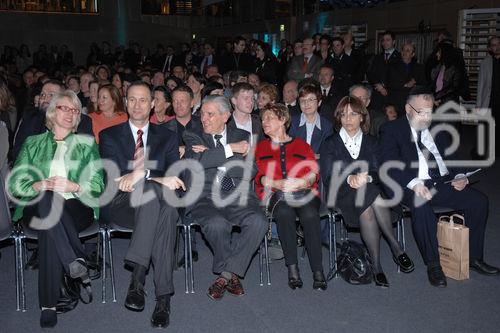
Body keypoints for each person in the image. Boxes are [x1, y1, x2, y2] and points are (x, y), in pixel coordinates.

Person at [379, 86, 499, 288]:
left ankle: (474, 257)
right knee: (421, 203)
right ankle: (433, 264)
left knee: (479, 201)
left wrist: (459, 175)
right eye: (421, 112)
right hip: (408, 185)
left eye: (430, 111)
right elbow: (388, 163)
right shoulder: (391, 129)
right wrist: (415, 184)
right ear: (408, 109)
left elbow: (450, 157)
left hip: (440, 182)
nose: (427, 117)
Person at [9, 90, 104, 328]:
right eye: (64, 108)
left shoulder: (86, 144)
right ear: (52, 112)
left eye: (75, 110)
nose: (71, 113)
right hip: (37, 206)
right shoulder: (33, 143)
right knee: (47, 199)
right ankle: (76, 258)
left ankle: (48, 304)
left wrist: (75, 185)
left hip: (76, 205)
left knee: (50, 227)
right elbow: (14, 183)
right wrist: (38, 184)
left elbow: (98, 184)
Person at [99, 81, 181, 328]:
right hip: (122, 205)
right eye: (132, 99)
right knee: (160, 199)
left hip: (156, 204)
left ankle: (140, 281)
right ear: (125, 102)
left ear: (153, 104)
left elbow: (176, 177)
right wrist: (151, 176)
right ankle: (163, 296)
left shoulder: (167, 136)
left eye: (143, 100)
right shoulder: (109, 135)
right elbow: (117, 179)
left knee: (162, 205)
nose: (137, 105)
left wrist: (142, 175)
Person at [320, 96, 414, 288]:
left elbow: (379, 171)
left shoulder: (372, 142)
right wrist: (349, 178)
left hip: (369, 193)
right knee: (370, 193)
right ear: (338, 117)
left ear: (362, 117)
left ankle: (377, 266)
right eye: (343, 114)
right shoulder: (330, 143)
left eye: (353, 114)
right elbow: (329, 176)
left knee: (368, 199)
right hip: (342, 193)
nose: (348, 119)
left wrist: (367, 178)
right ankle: (396, 247)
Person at [182, 95, 268, 301]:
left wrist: (213, 155)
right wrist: (231, 150)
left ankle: (226, 275)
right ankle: (232, 274)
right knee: (216, 223)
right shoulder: (192, 134)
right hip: (205, 196)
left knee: (259, 221)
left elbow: (251, 169)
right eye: (202, 113)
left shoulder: (243, 135)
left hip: (238, 195)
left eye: (210, 114)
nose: (204, 119)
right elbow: (196, 163)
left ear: (226, 115)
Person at [255, 103, 327, 290]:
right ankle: (292, 268)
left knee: (310, 215)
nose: (264, 122)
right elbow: (257, 177)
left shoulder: (301, 145)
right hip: (276, 195)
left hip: (304, 192)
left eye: (269, 117)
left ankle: (317, 270)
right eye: (263, 119)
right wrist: (275, 183)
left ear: (283, 120)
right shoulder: (261, 147)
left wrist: (303, 182)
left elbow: (314, 172)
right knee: (285, 213)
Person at [13, 80, 93, 161]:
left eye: (51, 95)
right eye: (42, 94)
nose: (44, 98)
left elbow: (87, 156)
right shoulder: (31, 119)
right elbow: (18, 153)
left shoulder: (80, 120)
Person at [289, 83, 333, 154]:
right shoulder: (291, 122)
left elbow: (327, 153)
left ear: (319, 102)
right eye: (302, 100)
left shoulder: (327, 126)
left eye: (310, 100)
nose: (306, 104)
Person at [386, 42, 427, 115]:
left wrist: (414, 85)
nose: (405, 52)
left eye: (408, 50)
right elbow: (389, 83)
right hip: (397, 103)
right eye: (403, 50)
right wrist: (406, 85)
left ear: (413, 54)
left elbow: (423, 85)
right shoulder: (392, 66)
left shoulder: (419, 68)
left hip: (413, 104)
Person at [367, 31, 401, 110]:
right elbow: (370, 74)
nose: (385, 42)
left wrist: (385, 87)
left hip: (393, 94)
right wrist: (379, 86)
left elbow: (399, 77)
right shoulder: (377, 57)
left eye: (388, 40)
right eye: (383, 40)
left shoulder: (400, 57)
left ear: (394, 42)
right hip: (377, 93)